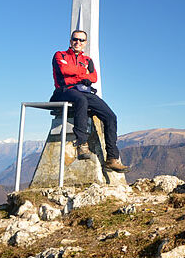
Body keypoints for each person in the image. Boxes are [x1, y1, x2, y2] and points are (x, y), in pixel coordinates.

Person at [50, 30, 130, 173]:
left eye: (81, 40)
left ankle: (112, 158)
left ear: (85, 43)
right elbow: (64, 70)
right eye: (75, 39)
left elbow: (93, 77)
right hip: (64, 91)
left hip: (84, 92)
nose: (78, 42)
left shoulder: (88, 60)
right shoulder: (59, 55)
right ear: (70, 40)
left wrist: (79, 74)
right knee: (81, 100)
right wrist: (82, 74)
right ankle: (81, 144)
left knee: (110, 116)